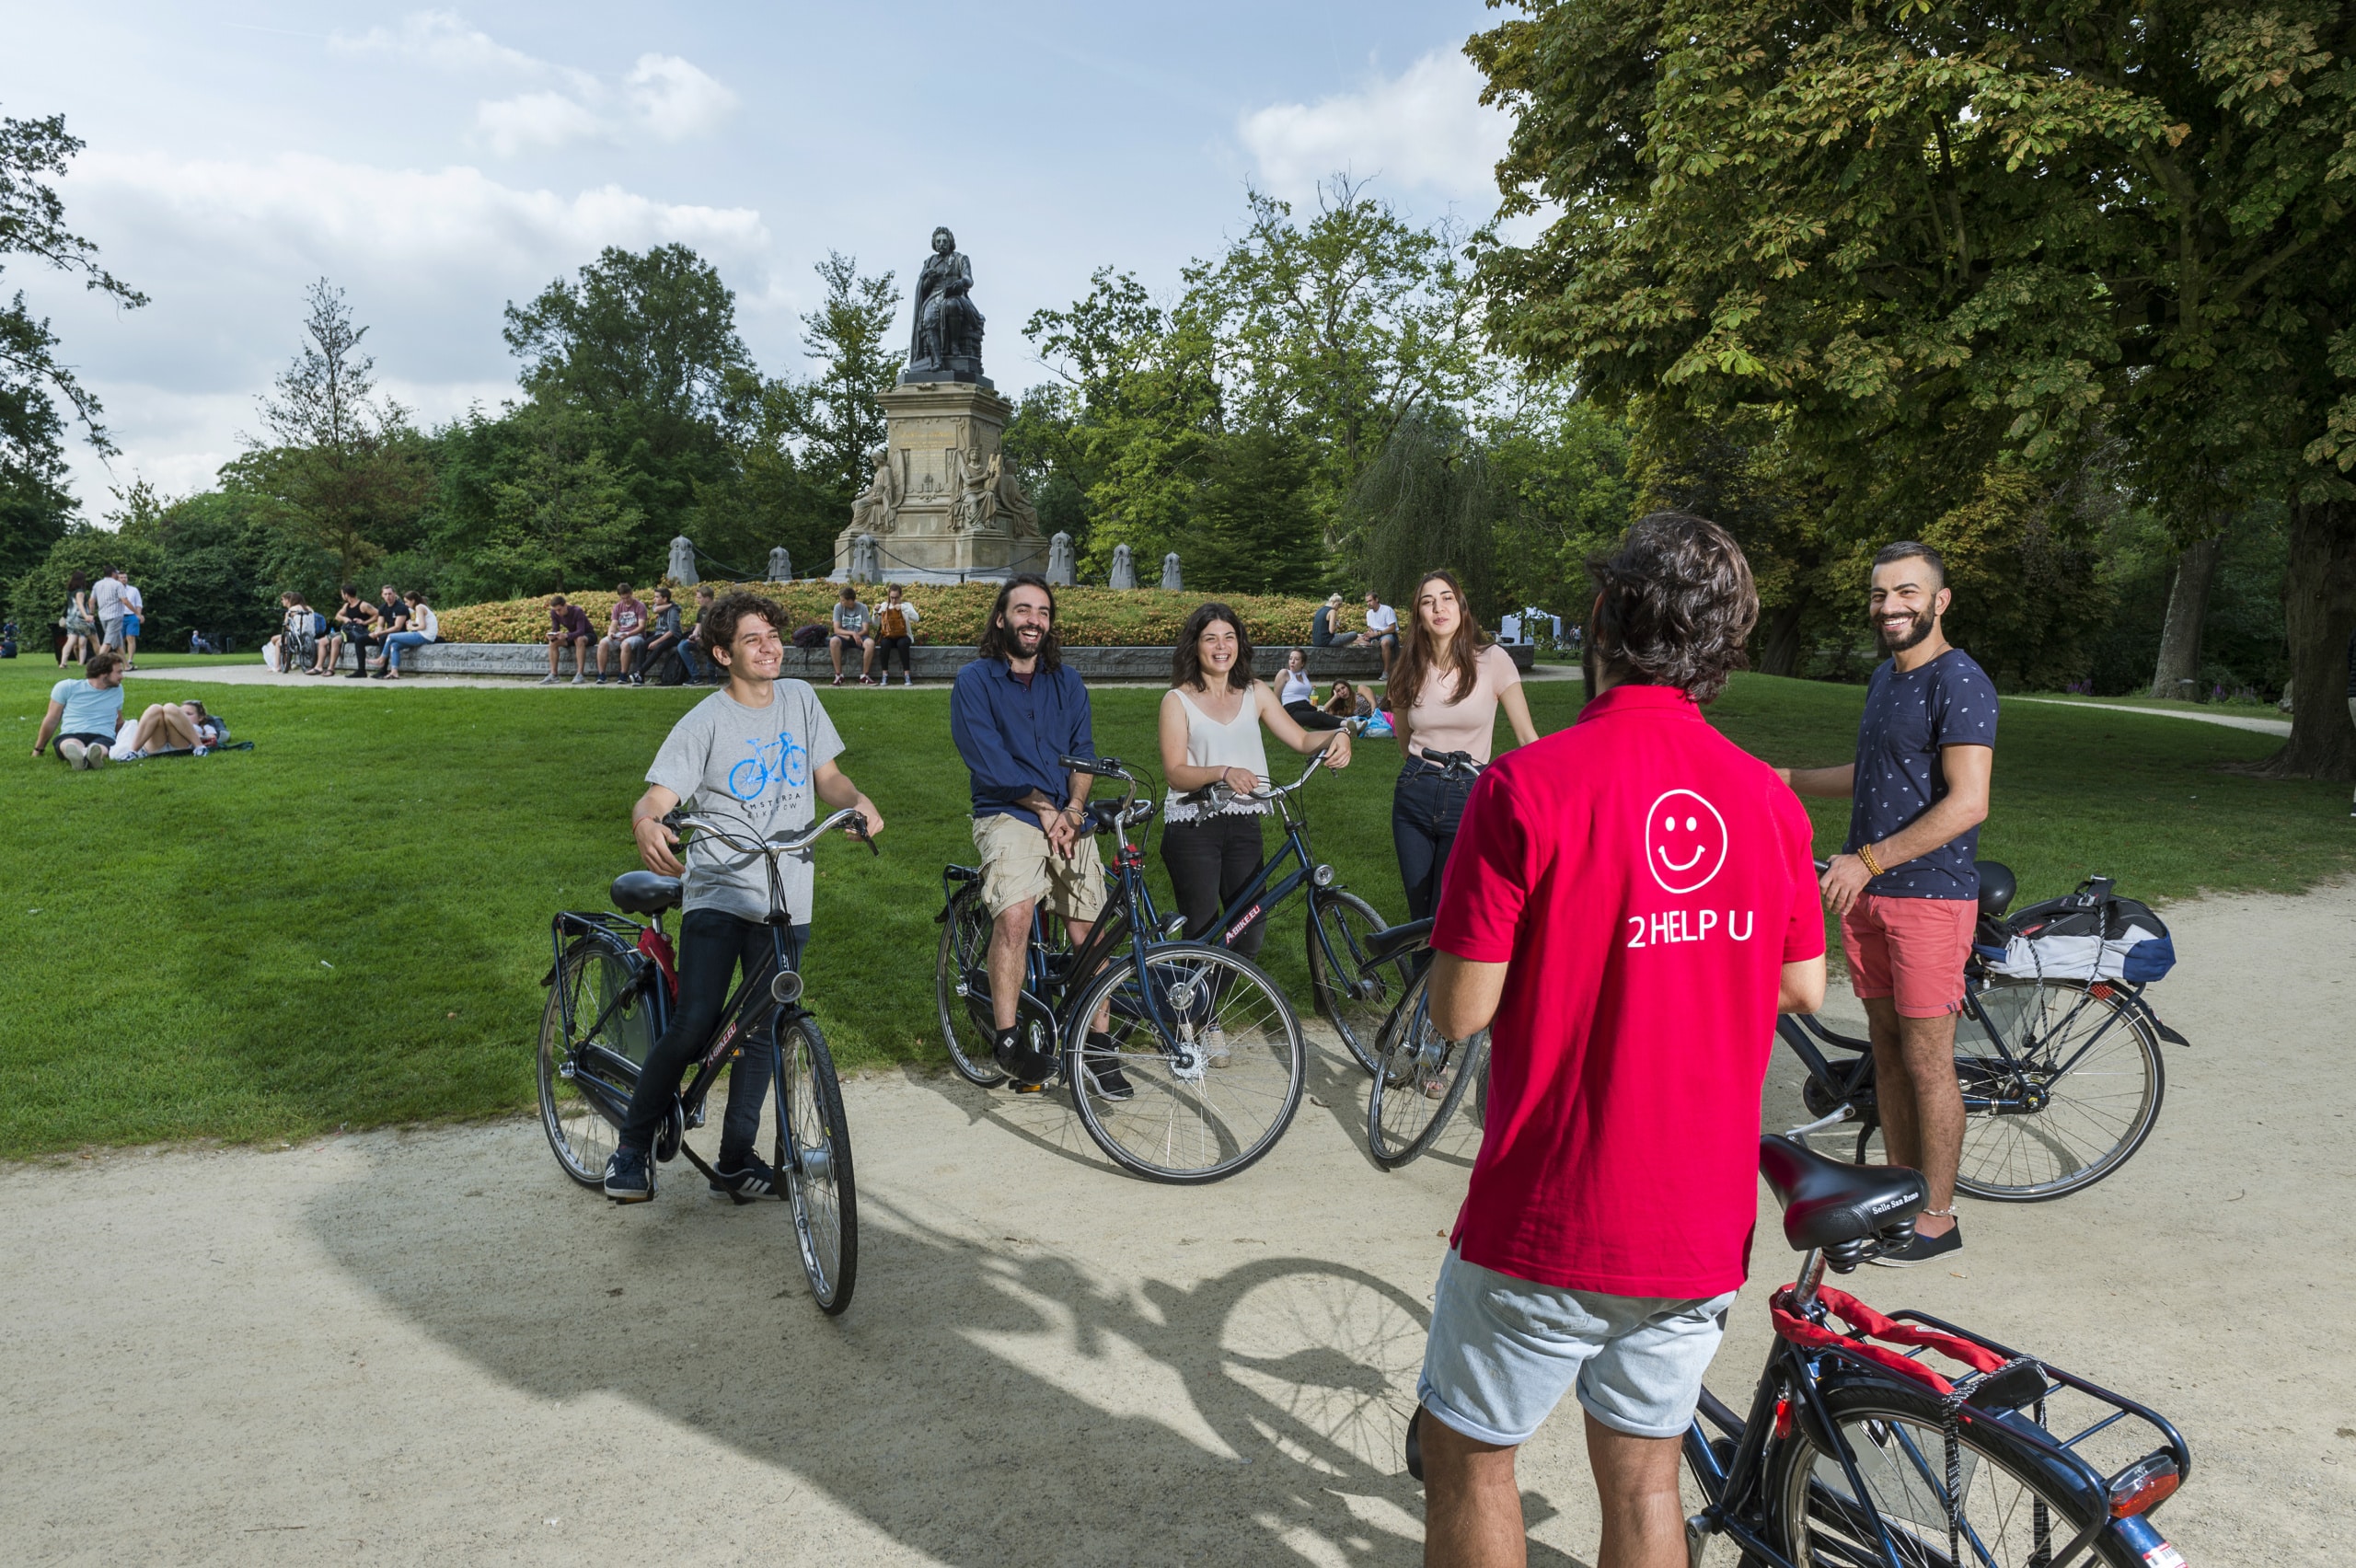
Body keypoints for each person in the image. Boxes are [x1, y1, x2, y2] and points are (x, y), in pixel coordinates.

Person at [1412, 512, 1826, 1568]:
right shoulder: (1765, 803)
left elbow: (1459, 1013)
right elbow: (1802, 985)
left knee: (1470, 1459)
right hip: (1695, 1221)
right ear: (1724, 646)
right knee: (1645, 1480)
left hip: (1547, 1215)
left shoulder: (1527, 785)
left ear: (1600, 617)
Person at [603, 591, 885, 1203]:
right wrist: (647, 823)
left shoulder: (803, 701)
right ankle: (630, 1148)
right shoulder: (705, 721)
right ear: (723, 652)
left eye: (773, 637)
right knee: (696, 1023)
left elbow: (829, 776)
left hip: (788, 894)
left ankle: (736, 1159)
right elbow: (657, 798)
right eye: (753, 639)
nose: (769, 647)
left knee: (763, 1028)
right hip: (722, 891)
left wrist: (855, 802)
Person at [1776, 540, 1995, 1267]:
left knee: (1930, 1061)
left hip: (1925, 898)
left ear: (1940, 600)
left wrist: (1867, 861)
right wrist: (1787, 778)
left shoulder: (1958, 681)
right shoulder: (1884, 678)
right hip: (1866, 894)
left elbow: (1968, 803)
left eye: (1906, 592)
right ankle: (1901, 1196)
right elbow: (1872, 773)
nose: (1890, 607)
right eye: (1879, 594)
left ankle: (1937, 1216)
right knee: (1890, 1055)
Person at [948, 575, 1126, 1097]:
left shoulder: (1066, 682)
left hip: (1067, 816)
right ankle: (1007, 1042)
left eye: (1043, 612)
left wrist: (1071, 809)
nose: (1033, 620)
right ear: (1001, 619)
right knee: (1018, 914)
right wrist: (1047, 809)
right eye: (1023, 610)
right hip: (1008, 814)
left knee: (1088, 929)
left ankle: (1098, 1044)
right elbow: (989, 762)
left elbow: (1084, 752)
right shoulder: (975, 680)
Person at [1158, 605, 1350, 1061]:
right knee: (1205, 930)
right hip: (1193, 825)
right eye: (1211, 638)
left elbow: (1302, 739)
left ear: (1240, 644)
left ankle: (1194, 1005)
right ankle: (1200, 1020)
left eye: (1229, 637)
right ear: (1195, 646)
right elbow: (1175, 772)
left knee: (1248, 932)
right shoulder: (1177, 700)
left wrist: (1338, 735)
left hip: (1244, 823)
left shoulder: (1256, 693)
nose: (1221, 646)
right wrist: (1222, 772)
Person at [1388, 571, 1541, 922]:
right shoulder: (1407, 667)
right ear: (1420, 616)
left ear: (1461, 607)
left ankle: (1441, 978)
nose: (1438, 608)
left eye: (1446, 598)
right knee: (1419, 919)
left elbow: (1526, 738)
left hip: (1468, 792)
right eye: (1428, 602)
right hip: (1414, 791)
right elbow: (1405, 741)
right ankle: (1419, 979)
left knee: (1451, 913)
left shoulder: (1493, 660)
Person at [34, 651, 129, 769]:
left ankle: (89, 754)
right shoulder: (67, 687)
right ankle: (84, 755)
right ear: (104, 674)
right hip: (72, 733)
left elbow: (118, 720)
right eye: (119, 672)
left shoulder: (117, 690)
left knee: (101, 746)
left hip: (103, 735)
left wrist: (126, 739)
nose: (122, 677)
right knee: (69, 744)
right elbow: (52, 719)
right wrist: (39, 748)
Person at [116, 698, 225, 759]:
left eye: (188, 714)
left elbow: (212, 739)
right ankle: (132, 752)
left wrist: (201, 737)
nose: (184, 717)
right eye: (181, 714)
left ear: (200, 718)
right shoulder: (169, 717)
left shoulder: (205, 727)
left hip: (179, 744)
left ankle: (199, 748)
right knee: (155, 708)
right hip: (158, 743)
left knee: (169, 707)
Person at [375, 590, 438, 679]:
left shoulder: (419, 607)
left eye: (406, 602)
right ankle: (394, 672)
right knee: (394, 645)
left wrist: (412, 628)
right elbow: (423, 624)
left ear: (412, 601)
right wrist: (413, 625)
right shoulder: (421, 607)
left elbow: (423, 626)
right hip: (425, 636)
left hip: (424, 636)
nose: (405, 604)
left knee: (390, 636)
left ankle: (381, 659)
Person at [1274, 647, 1341, 732]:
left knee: (1323, 719)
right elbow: (1275, 698)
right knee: (1319, 716)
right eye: (1290, 658)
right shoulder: (1284, 673)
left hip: (1306, 706)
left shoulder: (1305, 673)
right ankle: (1347, 723)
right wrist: (1279, 717)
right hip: (1292, 708)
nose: (1292, 661)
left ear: (1302, 663)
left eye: (1296, 659)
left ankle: (1346, 729)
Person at [597, 583, 649, 686]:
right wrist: (611, 633)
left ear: (631, 593)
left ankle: (623, 675)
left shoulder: (640, 606)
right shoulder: (618, 606)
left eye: (628, 597)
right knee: (603, 643)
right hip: (620, 633)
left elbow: (641, 626)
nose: (626, 600)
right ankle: (601, 674)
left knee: (625, 644)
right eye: (623, 598)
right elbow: (614, 623)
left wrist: (628, 634)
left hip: (636, 634)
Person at [642, 586, 694, 684]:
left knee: (658, 647)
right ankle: (639, 675)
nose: (654, 599)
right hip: (660, 633)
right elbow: (655, 610)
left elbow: (672, 632)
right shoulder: (665, 606)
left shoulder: (673, 611)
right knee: (642, 645)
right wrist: (670, 605)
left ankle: (641, 671)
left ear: (665, 598)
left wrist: (656, 642)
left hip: (672, 636)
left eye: (657, 597)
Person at [872, 582, 920, 686]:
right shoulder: (884, 606)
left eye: (896, 598)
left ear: (901, 596)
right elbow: (875, 623)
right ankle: (884, 674)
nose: (894, 600)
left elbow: (917, 618)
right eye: (892, 598)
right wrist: (875, 611)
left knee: (902, 644)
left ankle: (907, 674)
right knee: (884, 644)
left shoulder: (906, 605)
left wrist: (902, 608)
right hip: (888, 635)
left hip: (904, 635)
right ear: (889, 596)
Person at [829, 586, 875, 686]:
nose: (841, 602)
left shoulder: (862, 608)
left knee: (870, 643)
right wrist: (852, 633)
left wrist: (857, 635)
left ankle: (864, 676)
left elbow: (866, 630)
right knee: (833, 641)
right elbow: (836, 629)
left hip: (860, 636)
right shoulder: (838, 607)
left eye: (843, 600)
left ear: (850, 601)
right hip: (844, 637)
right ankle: (839, 676)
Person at [542, 594, 594, 685]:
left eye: (559, 609)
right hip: (572, 636)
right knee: (553, 643)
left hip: (588, 635)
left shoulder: (577, 611)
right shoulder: (554, 613)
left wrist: (566, 635)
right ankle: (554, 675)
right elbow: (555, 629)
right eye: (555, 610)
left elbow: (581, 631)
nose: (557, 612)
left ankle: (580, 674)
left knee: (579, 639)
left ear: (565, 605)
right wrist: (553, 636)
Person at [1356, 591, 1401, 684]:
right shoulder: (1369, 613)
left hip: (1387, 634)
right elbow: (1370, 628)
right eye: (1367, 602)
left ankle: (1386, 672)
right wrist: (1368, 634)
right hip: (1375, 635)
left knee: (1384, 643)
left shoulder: (1387, 610)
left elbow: (1392, 628)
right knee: (1354, 637)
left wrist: (1377, 634)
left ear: (1377, 599)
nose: (1368, 603)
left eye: (1370, 601)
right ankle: (1372, 643)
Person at [683, 584, 719, 685]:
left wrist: (702, 638)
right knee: (683, 646)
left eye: (699, 598)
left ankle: (712, 675)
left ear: (707, 598)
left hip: (714, 640)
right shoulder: (702, 610)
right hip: (702, 639)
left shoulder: (718, 610)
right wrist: (694, 636)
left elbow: (718, 630)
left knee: (709, 644)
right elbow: (698, 627)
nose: (697, 600)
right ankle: (695, 676)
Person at [59, 571, 94, 667]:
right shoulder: (80, 592)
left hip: (70, 618)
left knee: (70, 641)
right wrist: (86, 616)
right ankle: (81, 662)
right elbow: (80, 604)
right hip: (79, 618)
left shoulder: (69, 592)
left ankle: (63, 662)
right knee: (83, 642)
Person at [92, 568, 128, 660]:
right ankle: (96, 664)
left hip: (103, 616)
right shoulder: (118, 584)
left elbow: (91, 601)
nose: (118, 575)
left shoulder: (97, 584)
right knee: (108, 642)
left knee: (117, 642)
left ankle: (126, 665)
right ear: (113, 573)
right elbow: (124, 600)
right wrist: (137, 613)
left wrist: (91, 614)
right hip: (115, 616)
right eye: (117, 573)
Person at [115, 571, 145, 669]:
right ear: (117, 579)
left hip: (132, 615)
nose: (124, 579)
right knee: (121, 639)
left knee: (131, 638)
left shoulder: (133, 590)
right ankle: (121, 659)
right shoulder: (115, 590)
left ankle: (130, 659)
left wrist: (138, 615)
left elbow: (138, 604)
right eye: (121, 577)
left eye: (125, 577)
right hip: (119, 616)